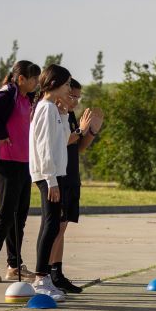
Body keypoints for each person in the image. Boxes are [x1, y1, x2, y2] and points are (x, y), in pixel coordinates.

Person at [0, 60, 41, 284]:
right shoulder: (8, 94)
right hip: (7, 161)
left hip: (24, 163)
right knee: (6, 215)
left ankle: (14, 265)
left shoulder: (26, 97)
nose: (36, 83)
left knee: (19, 217)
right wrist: (1, 133)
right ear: (21, 78)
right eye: (33, 79)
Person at [48, 79, 104, 294]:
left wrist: (91, 132)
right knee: (56, 228)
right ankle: (48, 273)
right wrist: (80, 131)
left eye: (78, 98)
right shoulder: (53, 113)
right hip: (59, 176)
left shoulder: (68, 115)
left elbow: (78, 148)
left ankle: (57, 272)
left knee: (63, 227)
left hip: (72, 175)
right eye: (72, 96)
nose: (75, 101)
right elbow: (59, 142)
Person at [28, 64, 73, 302]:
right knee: (50, 225)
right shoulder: (45, 108)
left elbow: (63, 139)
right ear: (55, 84)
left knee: (54, 225)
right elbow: (44, 146)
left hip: (55, 173)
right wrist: (51, 180)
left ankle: (43, 276)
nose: (68, 89)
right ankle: (41, 278)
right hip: (48, 175)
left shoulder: (53, 109)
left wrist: (65, 113)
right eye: (66, 84)